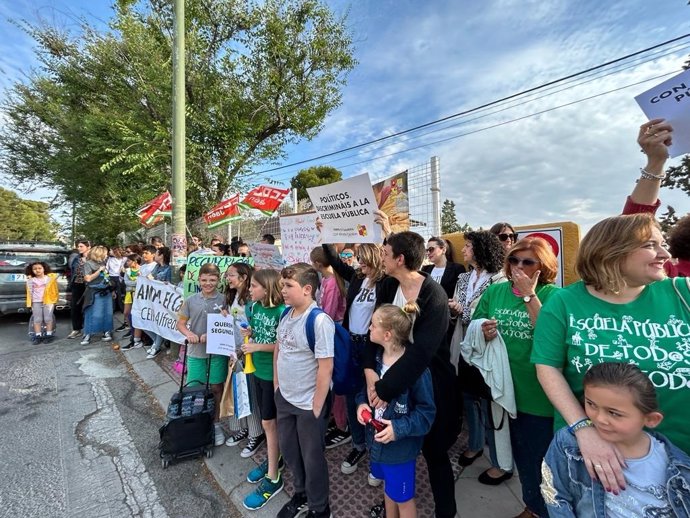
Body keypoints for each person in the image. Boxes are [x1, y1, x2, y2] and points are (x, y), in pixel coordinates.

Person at [532, 212, 690, 498]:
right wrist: (583, 429)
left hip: (682, 457)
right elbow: (547, 367)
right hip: (600, 461)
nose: (665, 253)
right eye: (651, 245)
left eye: (662, 243)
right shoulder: (564, 303)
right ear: (613, 252)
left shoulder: (683, 293)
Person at [364, 231, 458, 518]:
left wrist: (383, 389)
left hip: (430, 384)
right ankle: (394, 499)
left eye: (385, 253)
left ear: (400, 259)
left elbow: (423, 353)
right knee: (396, 450)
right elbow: (373, 332)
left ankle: (446, 511)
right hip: (389, 380)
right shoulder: (387, 286)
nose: (381, 257)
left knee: (434, 452)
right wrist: (370, 374)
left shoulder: (434, 295)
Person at [470, 237, 559, 518]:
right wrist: (482, 331)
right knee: (521, 456)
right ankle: (532, 506)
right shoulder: (495, 292)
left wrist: (529, 296)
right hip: (503, 390)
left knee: (542, 461)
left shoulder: (553, 295)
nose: (519, 266)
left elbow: (552, 338)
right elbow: (476, 322)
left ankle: (544, 510)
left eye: (527, 261)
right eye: (514, 260)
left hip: (538, 395)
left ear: (542, 266)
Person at [541, 362, 690, 517]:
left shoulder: (679, 466)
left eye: (614, 413)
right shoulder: (568, 444)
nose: (599, 419)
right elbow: (556, 496)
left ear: (651, 419)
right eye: (591, 404)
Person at [356, 304, 436, 518]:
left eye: (373, 325)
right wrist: (362, 404)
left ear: (388, 334)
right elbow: (364, 391)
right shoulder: (375, 361)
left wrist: (398, 428)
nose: (369, 328)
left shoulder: (416, 372)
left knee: (404, 499)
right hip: (376, 444)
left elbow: (426, 414)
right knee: (389, 489)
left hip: (399, 450)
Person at [275, 263, 335, 518]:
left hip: (309, 403)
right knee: (289, 450)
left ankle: (320, 508)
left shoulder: (319, 320)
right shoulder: (285, 314)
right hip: (285, 398)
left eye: (289, 286)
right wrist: (277, 386)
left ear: (308, 289)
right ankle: (301, 493)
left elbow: (326, 367)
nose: (283, 291)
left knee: (312, 459)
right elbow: (280, 348)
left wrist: (317, 406)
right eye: (282, 286)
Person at [322, 242, 386, 476]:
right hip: (352, 342)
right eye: (358, 259)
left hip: (372, 346)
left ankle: (375, 449)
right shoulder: (358, 278)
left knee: (371, 397)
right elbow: (336, 262)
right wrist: (326, 235)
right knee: (351, 395)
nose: (359, 263)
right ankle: (358, 444)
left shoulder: (385, 281)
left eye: (362, 258)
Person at [450, 231, 506, 468]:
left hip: (487, 348)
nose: (463, 250)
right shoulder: (463, 278)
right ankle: (474, 444)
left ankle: (497, 457)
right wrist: (455, 309)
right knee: (468, 396)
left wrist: (460, 310)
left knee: (488, 401)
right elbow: (460, 307)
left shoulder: (500, 280)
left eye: (469, 246)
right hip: (464, 344)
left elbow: (493, 318)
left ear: (481, 249)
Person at [240, 269, 286, 510]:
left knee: (269, 422)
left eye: (254, 286)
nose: (250, 289)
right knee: (267, 421)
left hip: (273, 375)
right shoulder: (255, 308)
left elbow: (280, 345)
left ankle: (274, 477)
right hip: (256, 370)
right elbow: (257, 333)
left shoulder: (281, 312)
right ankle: (274, 459)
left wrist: (257, 346)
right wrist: (250, 334)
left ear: (267, 289)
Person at [176, 263, 228, 447]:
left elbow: (227, 324)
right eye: (204, 280)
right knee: (195, 388)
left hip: (217, 352)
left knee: (216, 388)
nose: (208, 283)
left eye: (212, 280)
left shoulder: (224, 300)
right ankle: (196, 421)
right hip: (195, 352)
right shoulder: (190, 300)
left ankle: (216, 423)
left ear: (218, 280)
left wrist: (214, 334)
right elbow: (181, 323)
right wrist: (189, 334)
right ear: (198, 280)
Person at [223, 263, 265, 457]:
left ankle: (256, 434)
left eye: (231, 275)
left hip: (247, 354)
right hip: (233, 353)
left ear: (243, 276)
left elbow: (254, 329)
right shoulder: (232, 297)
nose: (227, 278)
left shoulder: (252, 301)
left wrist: (244, 349)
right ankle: (244, 428)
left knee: (250, 394)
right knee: (238, 392)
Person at [310, 246, 349, 449]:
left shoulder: (332, 282)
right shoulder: (326, 280)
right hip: (327, 331)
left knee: (335, 379)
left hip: (333, 333)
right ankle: (336, 417)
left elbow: (329, 312)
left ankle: (343, 425)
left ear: (318, 264)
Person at [80, 245, 115, 346]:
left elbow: (106, 277)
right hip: (94, 292)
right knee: (91, 313)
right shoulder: (88, 264)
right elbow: (87, 279)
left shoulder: (103, 263)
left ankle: (107, 331)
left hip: (105, 291)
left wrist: (112, 290)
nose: (106, 255)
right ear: (99, 254)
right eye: (105, 254)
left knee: (107, 312)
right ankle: (88, 333)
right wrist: (99, 270)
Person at [145, 246, 172, 359]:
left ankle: (156, 346)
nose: (154, 255)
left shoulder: (169, 268)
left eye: (156, 253)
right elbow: (149, 277)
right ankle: (157, 342)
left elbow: (169, 283)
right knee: (145, 321)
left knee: (160, 323)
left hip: (163, 300)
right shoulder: (157, 266)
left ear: (161, 255)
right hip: (153, 298)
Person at [25, 261, 59, 344]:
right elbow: (29, 292)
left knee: (48, 318)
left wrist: (54, 300)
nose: (37, 270)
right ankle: (38, 335)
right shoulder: (31, 280)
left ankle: (49, 334)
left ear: (44, 269)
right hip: (36, 302)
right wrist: (30, 303)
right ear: (31, 270)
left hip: (48, 301)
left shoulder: (49, 279)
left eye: (39, 268)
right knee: (37, 319)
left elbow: (55, 290)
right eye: (35, 269)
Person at [67, 239, 91, 339]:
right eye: (78, 246)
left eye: (81, 246)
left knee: (89, 306)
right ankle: (77, 329)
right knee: (75, 307)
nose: (79, 248)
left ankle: (89, 328)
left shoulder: (93, 258)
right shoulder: (76, 258)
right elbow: (73, 270)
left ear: (88, 247)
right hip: (77, 284)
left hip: (89, 284)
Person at [119, 254, 140, 348]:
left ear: (135, 261)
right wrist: (136, 282)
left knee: (136, 314)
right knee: (126, 313)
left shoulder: (142, 269)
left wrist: (135, 283)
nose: (127, 263)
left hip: (138, 295)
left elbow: (142, 281)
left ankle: (137, 335)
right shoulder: (127, 271)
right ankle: (131, 329)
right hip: (129, 294)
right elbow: (126, 282)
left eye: (129, 261)